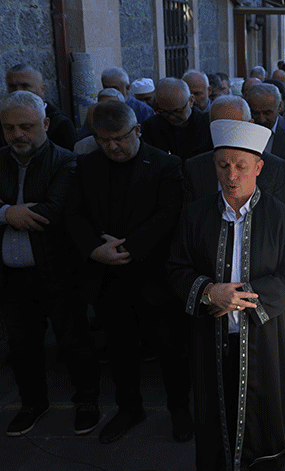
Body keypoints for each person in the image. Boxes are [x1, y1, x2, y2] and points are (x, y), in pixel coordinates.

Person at [168, 119, 285, 470]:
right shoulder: (195, 214)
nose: (231, 175)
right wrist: (208, 291)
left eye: (241, 166)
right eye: (223, 165)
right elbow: (176, 268)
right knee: (215, 416)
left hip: (266, 337)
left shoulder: (281, 216)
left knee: (267, 417)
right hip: (211, 336)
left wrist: (242, 297)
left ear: (259, 167)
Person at [65, 100, 191, 443]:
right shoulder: (86, 165)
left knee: (171, 349)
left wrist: (128, 248)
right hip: (107, 279)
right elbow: (73, 214)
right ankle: (129, 409)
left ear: (137, 130)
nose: (112, 147)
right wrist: (94, 248)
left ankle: (180, 411)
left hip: (155, 278)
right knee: (121, 350)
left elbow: (169, 214)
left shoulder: (166, 164)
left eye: (119, 138)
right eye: (103, 140)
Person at [0, 91, 100, 437]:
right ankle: (32, 404)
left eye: (26, 126)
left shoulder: (64, 161)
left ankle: (87, 401)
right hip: (12, 278)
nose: (18, 135)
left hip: (57, 271)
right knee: (22, 346)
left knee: (73, 341)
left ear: (45, 124)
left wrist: (7, 212)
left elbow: (52, 212)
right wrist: (6, 211)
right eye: (9, 128)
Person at [183, 96, 285, 205]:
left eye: (232, 128)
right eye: (219, 127)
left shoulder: (275, 169)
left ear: (250, 125)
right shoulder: (194, 168)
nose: (226, 135)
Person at [4, 64, 76, 151]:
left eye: (25, 86)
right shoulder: (3, 118)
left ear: (42, 89)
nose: (18, 91)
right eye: (12, 86)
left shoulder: (60, 123)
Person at [141, 78, 213, 160]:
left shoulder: (208, 125)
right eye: (165, 112)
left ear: (191, 101)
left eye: (178, 111)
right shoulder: (150, 127)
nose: (172, 117)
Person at [244, 83, 285, 160]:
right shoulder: (241, 131)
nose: (262, 119)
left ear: (279, 106)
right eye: (255, 113)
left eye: (267, 113)